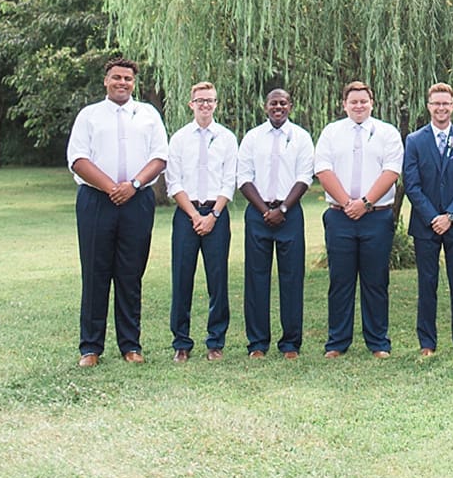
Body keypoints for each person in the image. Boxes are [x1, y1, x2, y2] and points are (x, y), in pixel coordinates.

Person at [66, 55, 170, 365]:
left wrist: (133, 185)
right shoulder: (89, 115)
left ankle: (131, 345)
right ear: (106, 80)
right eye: (116, 77)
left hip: (136, 200)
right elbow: (78, 158)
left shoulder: (148, 114)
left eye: (127, 78)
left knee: (130, 273)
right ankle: (90, 348)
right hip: (96, 200)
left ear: (133, 82)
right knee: (95, 273)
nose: (121, 82)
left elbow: (160, 157)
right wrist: (112, 187)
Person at [313, 81, 405, 358]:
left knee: (375, 281)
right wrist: (347, 203)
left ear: (372, 103)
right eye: (353, 102)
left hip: (376, 216)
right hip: (339, 216)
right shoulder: (331, 132)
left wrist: (364, 204)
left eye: (363, 101)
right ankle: (337, 343)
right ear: (344, 104)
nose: (359, 106)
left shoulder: (387, 133)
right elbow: (323, 169)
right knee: (340, 281)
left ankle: (378, 342)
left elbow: (391, 171)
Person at [402, 82, 453, 358]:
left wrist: (450, 215)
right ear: (428, 106)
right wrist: (434, 216)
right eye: (436, 103)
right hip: (425, 224)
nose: (441, 108)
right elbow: (411, 184)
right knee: (427, 284)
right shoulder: (414, 140)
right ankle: (427, 342)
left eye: (446, 103)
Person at [237, 87, 315, 360]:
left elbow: (305, 177)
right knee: (256, 279)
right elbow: (243, 178)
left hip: (290, 214)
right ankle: (257, 343)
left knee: (292, 278)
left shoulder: (301, 138)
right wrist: (265, 210)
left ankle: (291, 343)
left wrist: (282, 209)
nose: (278, 107)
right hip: (258, 213)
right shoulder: (252, 138)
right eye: (273, 103)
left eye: (283, 103)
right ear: (265, 106)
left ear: (290, 106)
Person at [165, 81, 238, 361]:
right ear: (191, 104)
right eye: (200, 100)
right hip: (187, 214)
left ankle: (215, 341)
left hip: (217, 213)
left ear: (216, 104)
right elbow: (174, 182)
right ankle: (181, 342)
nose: (205, 105)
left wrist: (213, 215)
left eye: (210, 100)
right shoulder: (180, 138)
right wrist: (195, 215)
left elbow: (228, 180)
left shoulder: (227, 138)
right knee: (182, 278)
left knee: (217, 279)